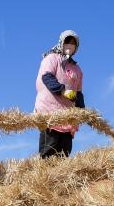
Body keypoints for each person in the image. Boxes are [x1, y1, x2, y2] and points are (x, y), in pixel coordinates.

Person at [35, 30, 85, 158]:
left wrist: (81, 111)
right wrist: (63, 91)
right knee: (49, 150)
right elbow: (46, 77)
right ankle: (46, 177)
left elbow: (78, 93)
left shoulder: (77, 69)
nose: (70, 45)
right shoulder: (52, 58)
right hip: (50, 113)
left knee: (64, 152)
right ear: (61, 42)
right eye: (68, 42)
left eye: (73, 43)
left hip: (67, 117)